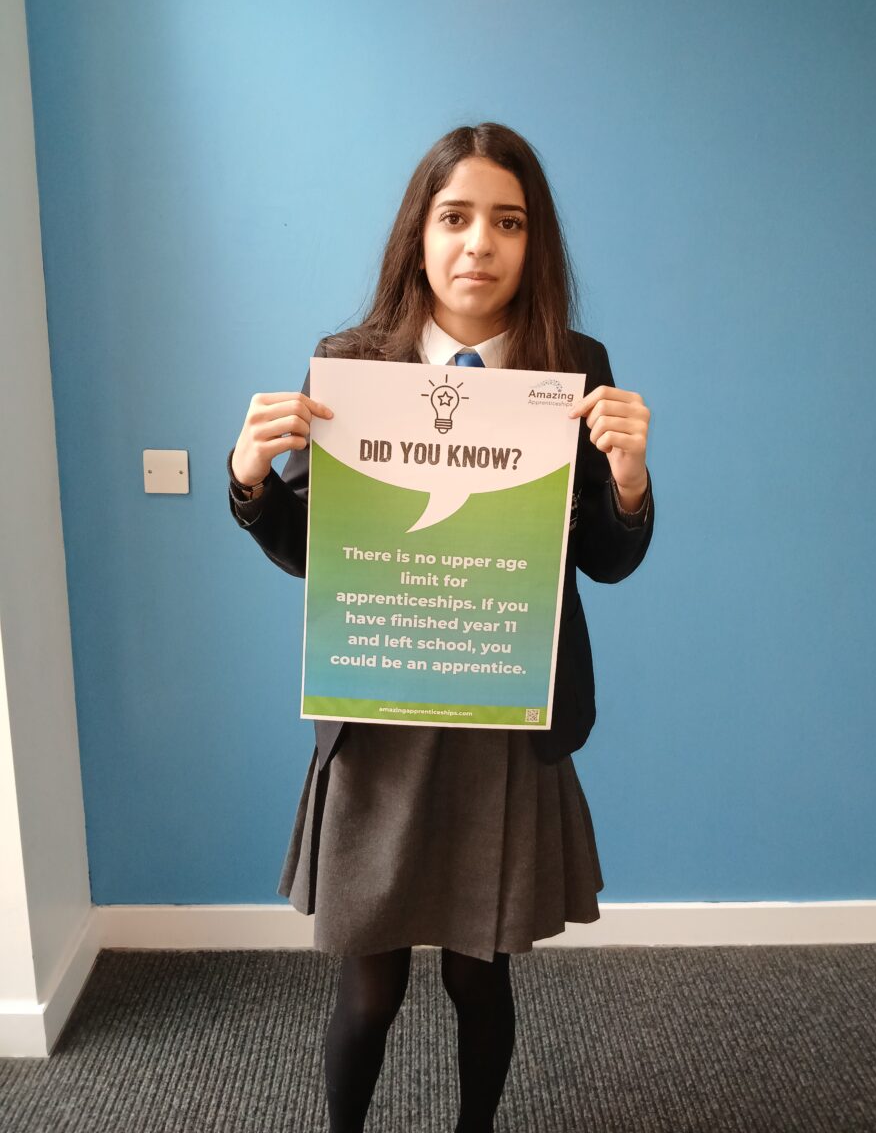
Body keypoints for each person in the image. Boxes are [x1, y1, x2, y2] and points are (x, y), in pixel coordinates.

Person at [227, 122, 654, 1133]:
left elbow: (605, 560)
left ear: (533, 244)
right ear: (418, 234)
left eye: (509, 223)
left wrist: (630, 483)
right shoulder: (349, 363)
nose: (479, 245)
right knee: (369, 987)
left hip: (502, 714)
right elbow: (313, 551)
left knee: (478, 976)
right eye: (455, 217)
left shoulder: (573, 366)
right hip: (380, 714)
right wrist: (250, 482)